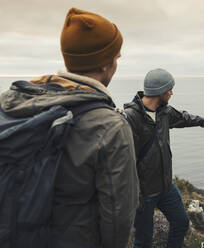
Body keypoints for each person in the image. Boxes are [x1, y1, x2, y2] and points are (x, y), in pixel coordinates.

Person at [0, 8, 139, 248]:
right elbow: (118, 216)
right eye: (116, 58)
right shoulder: (110, 127)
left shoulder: (11, 102)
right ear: (106, 65)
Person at [124, 68, 204, 248]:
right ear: (159, 91)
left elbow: (182, 118)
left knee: (181, 222)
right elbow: (123, 159)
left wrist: (200, 120)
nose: (171, 92)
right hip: (143, 194)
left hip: (165, 187)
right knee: (143, 240)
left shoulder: (164, 112)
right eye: (169, 89)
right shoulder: (131, 118)